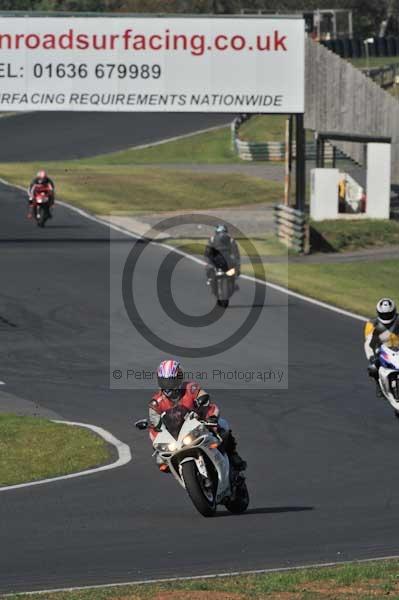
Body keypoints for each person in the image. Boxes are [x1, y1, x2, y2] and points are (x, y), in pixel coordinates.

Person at [148, 359, 246, 472]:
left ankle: (233, 454)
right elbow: (154, 423)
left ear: (178, 378)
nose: (167, 386)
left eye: (170, 381)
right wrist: (157, 441)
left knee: (222, 425)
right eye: (164, 382)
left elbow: (202, 395)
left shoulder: (190, 387)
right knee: (161, 461)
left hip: (198, 424)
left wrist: (202, 399)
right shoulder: (156, 402)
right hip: (176, 437)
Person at [364, 298, 399, 394]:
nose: (386, 316)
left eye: (388, 314)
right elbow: (369, 343)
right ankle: (379, 385)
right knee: (373, 369)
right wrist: (372, 358)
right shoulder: (371, 324)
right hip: (384, 351)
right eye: (384, 315)